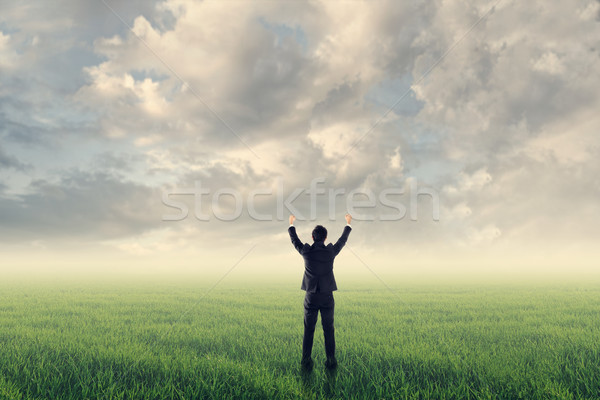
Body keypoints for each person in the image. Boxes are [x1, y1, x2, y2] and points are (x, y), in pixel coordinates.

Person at [288, 213, 352, 371]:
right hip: (327, 296)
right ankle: (331, 360)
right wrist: (348, 224)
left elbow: (294, 241)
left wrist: (291, 224)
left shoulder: (306, 251)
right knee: (328, 329)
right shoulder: (330, 252)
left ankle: (306, 361)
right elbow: (342, 241)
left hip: (311, 296)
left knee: (308, 330)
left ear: (312, 237)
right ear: (325, 238)